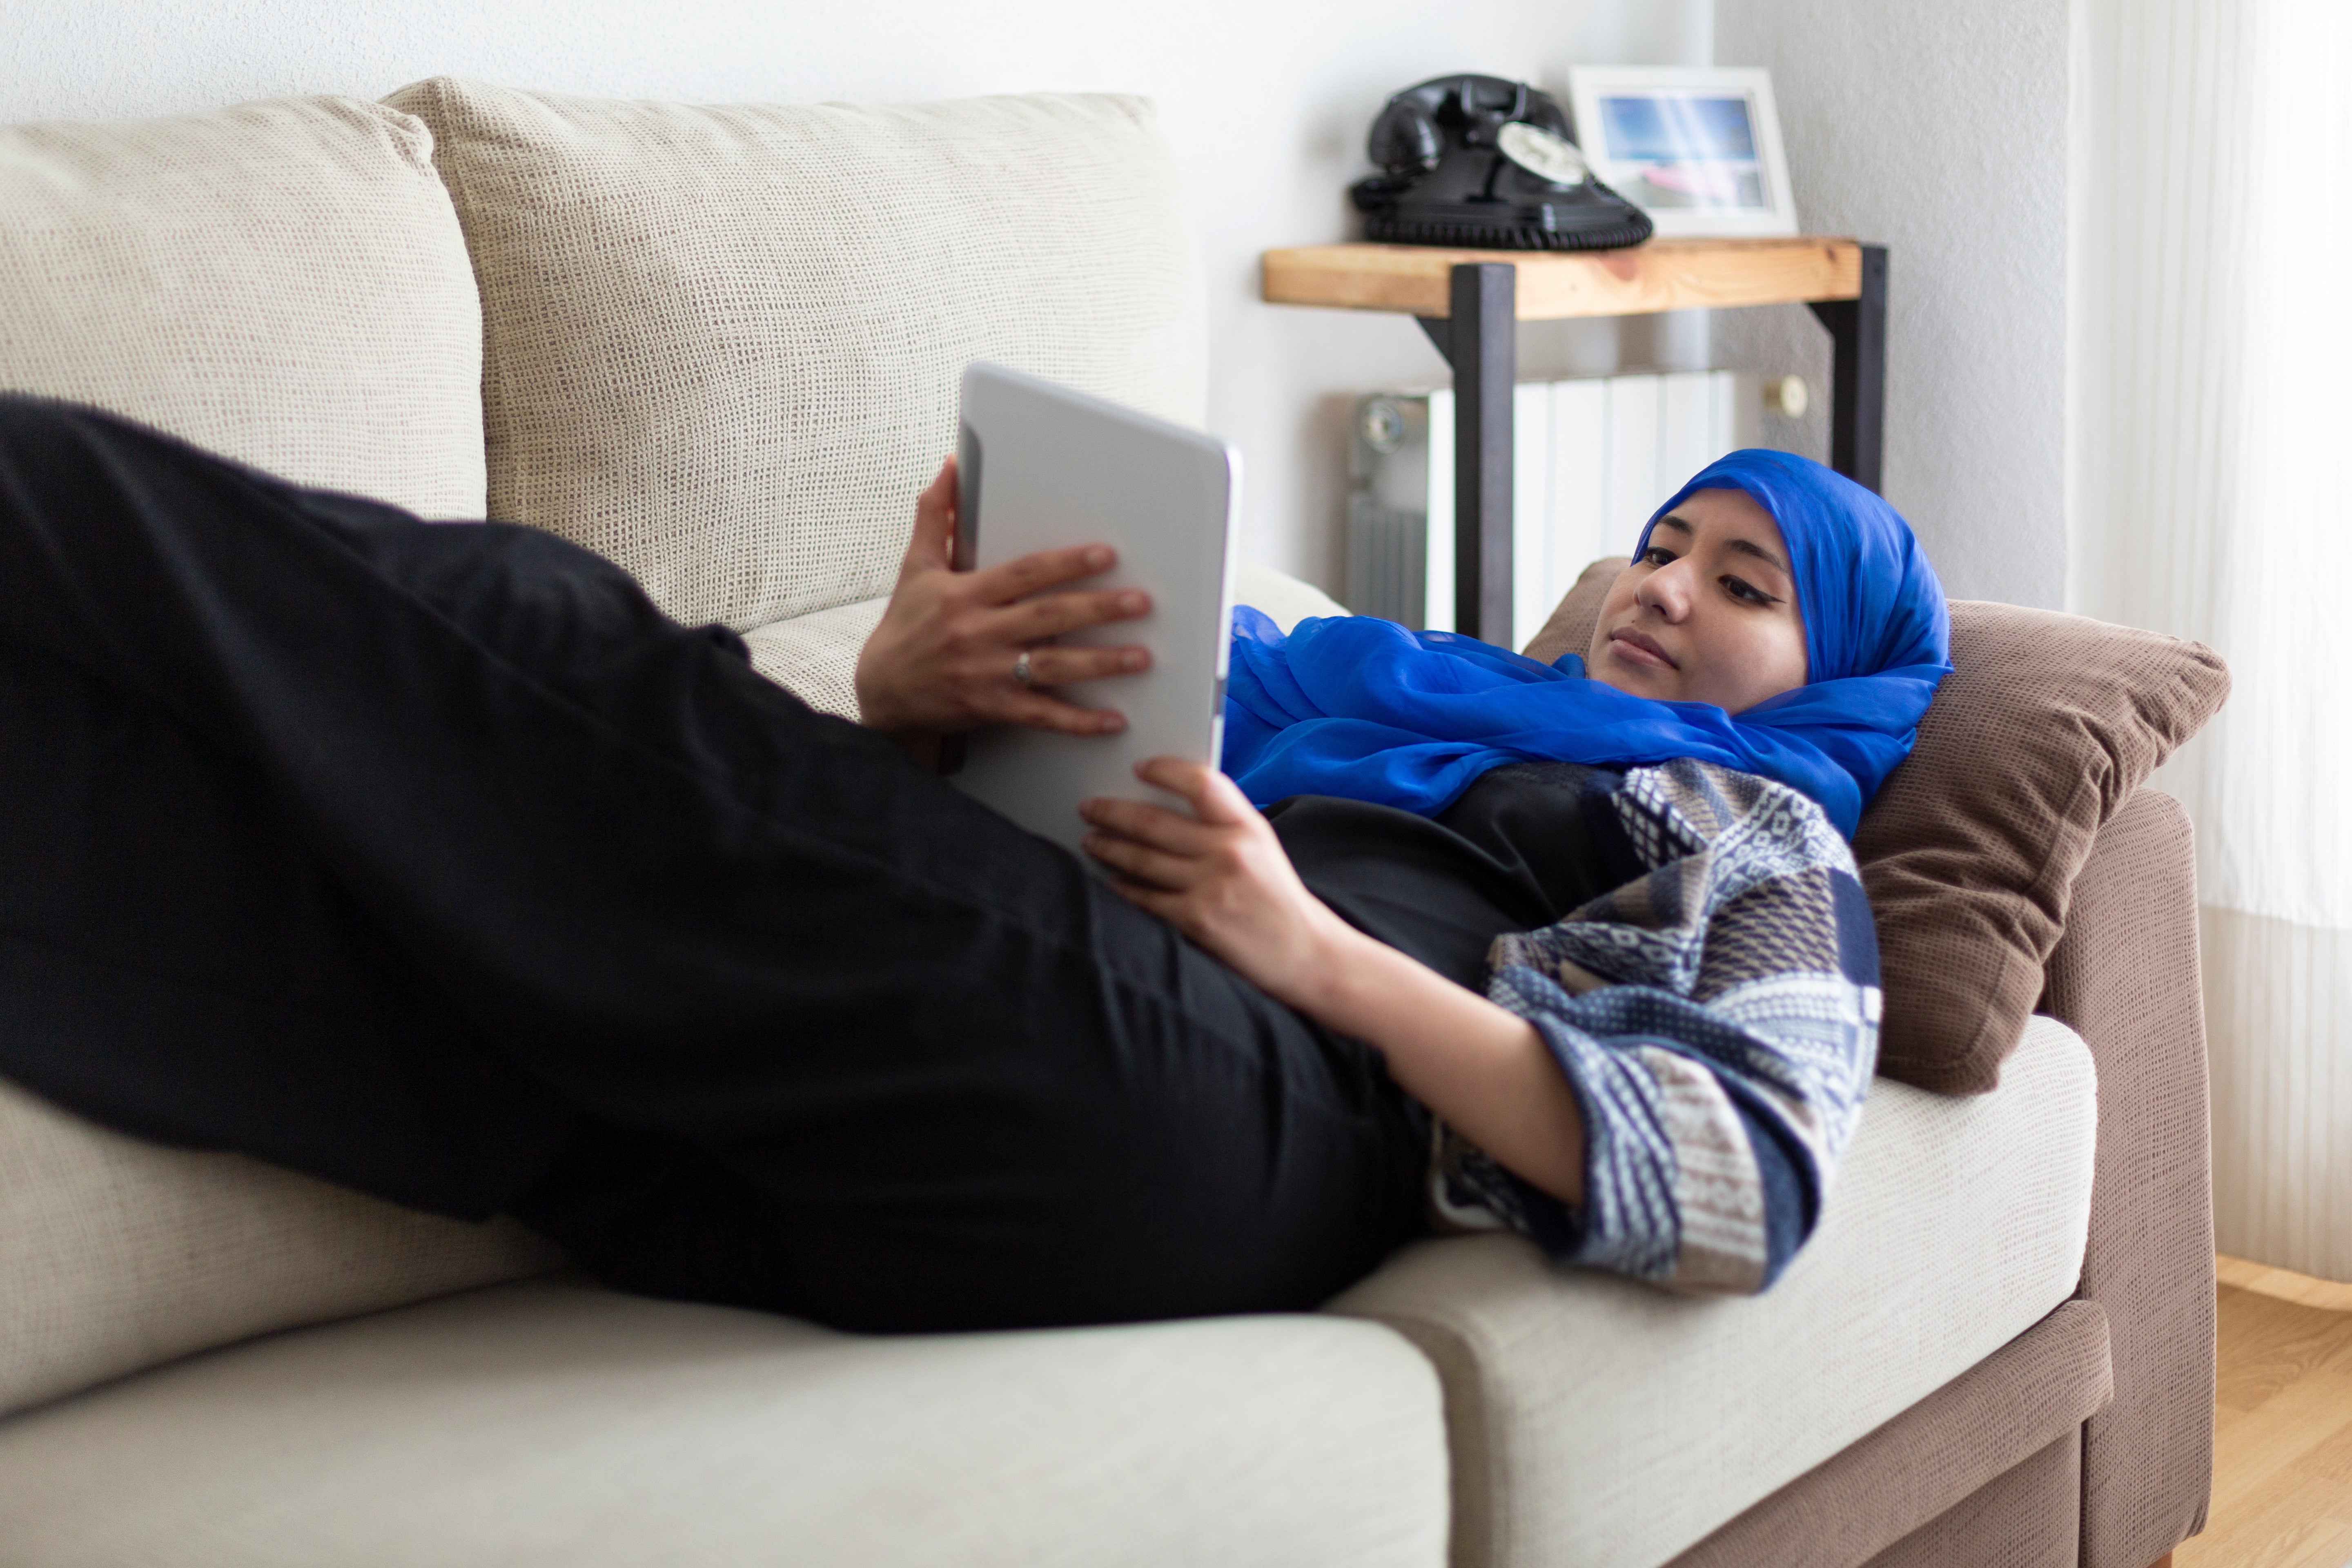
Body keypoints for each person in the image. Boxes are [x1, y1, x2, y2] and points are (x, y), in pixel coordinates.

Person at [0, 394, 1945, 1333]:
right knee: (376, 989)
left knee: (555, 648)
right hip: (1011, 1127)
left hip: (1249, 1118)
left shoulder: (1748, 822)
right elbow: (946, 876)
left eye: (1747, 583)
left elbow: (1747, 1180)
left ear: (1833, 673)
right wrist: (910, 708)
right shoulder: (1369, 681)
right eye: (1667, 548)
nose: (1669, 591)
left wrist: (1313, 952)